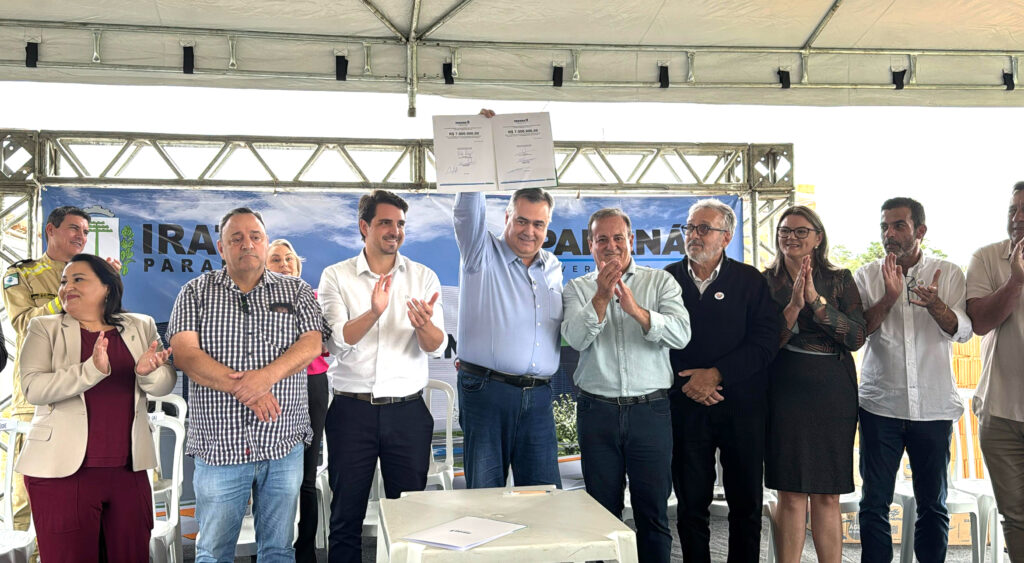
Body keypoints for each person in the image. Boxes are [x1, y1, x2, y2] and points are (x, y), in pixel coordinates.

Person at [167, 207, 323, 562]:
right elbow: (186, 355)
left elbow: (312, 344)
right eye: (236, 238)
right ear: (221, 248)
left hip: (282, 443)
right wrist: (246, 389)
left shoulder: (297, 291)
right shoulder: (194, 292)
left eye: (255, 237)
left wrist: (264, 378)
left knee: (278, 550)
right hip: (220, 446)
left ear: (265, 243)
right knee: (213, 552)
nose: (247, 244)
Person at [17, 254, 176, 562]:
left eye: (78, 279)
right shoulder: (43, 327)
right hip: (60, 474)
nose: (67, 287)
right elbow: (33, 388)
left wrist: (148, 373)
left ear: (107, 287)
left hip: (129, 472)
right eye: (64, 281)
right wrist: (90, 370)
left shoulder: (140, 325)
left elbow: (164, 384)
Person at [318, 190, 445, 563]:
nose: (395, 231)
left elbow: (435, 346)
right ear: (364, 226)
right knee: (346, 516)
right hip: (351, 412)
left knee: (409, 518)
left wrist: (424, 326)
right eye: (386, 222)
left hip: (407, 413)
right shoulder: (336, 276)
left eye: (400, 224)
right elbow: (336, 341)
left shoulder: (423, 277)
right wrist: (374, 312)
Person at [562, 208, 691, 563]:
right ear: (590, 245)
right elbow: (575, 339)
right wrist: (601, 297)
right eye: (602, 239)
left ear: (631, 240)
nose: (611, 245)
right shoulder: (577, 288)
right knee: (601, 517)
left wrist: (637, 311)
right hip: (597, 413)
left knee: (653, 514)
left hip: (650, 412)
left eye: (618, 237)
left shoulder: (660, 282)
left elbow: (681, 335)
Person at [854, 197, 970, 562]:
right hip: (880, 408)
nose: (889, 234)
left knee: (933, 504)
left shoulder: (948, 273)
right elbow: (857, 333)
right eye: (884, 227)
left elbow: (963, 332)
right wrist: (889, 298)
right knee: (874, 502)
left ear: (920, 230)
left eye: (898, 226)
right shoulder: (866, 276)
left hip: (933, 409)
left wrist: (936, 305)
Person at [664, 198, 778, 563]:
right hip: (686, 406)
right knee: (690, 505)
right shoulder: (667, 278)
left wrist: (716, 375)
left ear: (726, 237)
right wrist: (690, 384)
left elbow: (765, 342)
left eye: (704, 228)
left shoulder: (750, 280)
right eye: (690, 228)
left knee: (746, 505)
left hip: (741, 408)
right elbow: (656, 340)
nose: (693, 235)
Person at [2, 205, 119, 537]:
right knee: (29, 493)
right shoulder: (22, 274)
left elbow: (108, 325)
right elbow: (23, 323)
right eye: (73, 228)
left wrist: (108, 286)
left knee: (86, 489)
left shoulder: (96, 275)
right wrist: (65, 296)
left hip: (88, 392)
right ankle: (30, 555)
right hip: (38, 397)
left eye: (85, 231)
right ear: (50, 230)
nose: (81, 236)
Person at [763, 205, 866, 562]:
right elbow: (764, 344)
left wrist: (816, 302)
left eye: (800, 231)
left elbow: (856, 337)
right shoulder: (764, 281)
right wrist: (793, 306)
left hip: (833, 392)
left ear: (818, 238)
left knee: (827, 494)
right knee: (790, 494)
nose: (790, 237)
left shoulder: (840, 278)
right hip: (785, 391)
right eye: (784, 231)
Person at [453, 175, 563, 489]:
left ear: (547, 226)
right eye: (522, 221)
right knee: (486, 498)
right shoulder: (480, 253)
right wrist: (477, 161)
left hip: (539, 397)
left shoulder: (552, 267)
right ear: (507, 217)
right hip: (487, 392)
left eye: (539, 224)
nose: (530, 231)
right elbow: (466, 212)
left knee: (544, 496)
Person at [965, 181, 1024, 561]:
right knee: (1016, 518)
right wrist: (1015, 280)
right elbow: (980, 322)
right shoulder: (987, 257)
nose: (1017, 218)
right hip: (1000, 414)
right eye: (1012, 209)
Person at [265, 238, 331, 562]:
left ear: (298, 266)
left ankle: (305, 554)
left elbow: (326, 342)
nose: (284, 264)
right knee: (268, 476)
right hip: (271, 388)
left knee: (306, 476)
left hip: (312, 385)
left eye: (289, 259)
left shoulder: (313, 299)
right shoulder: (255, 302)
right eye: (276, 259)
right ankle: (267, 552)